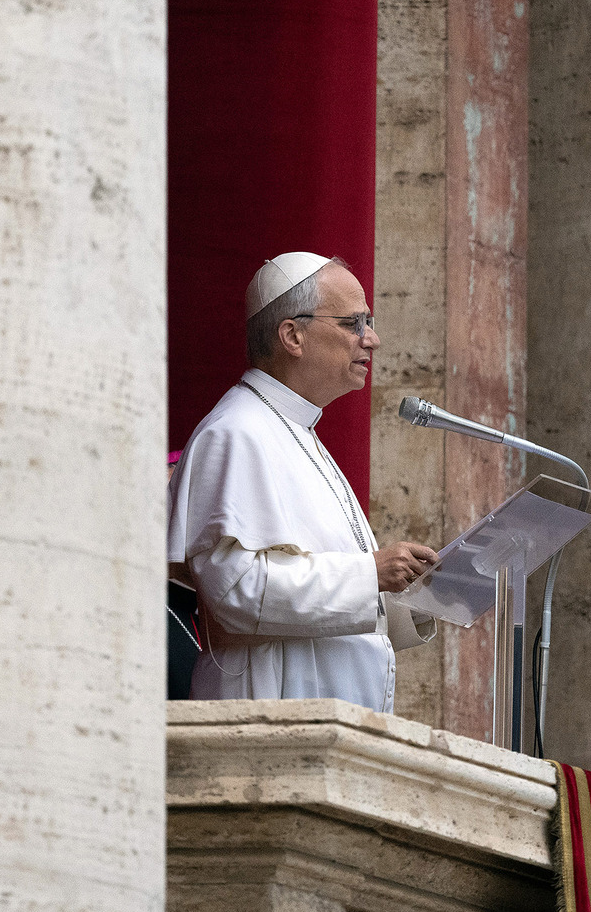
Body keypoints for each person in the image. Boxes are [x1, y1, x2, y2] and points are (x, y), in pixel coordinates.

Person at [167, 252, 441, 709]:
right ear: (293, 335)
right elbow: (236, 590)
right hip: (272, 711)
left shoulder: (298, 432)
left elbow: (328, 596)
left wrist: (416, 595)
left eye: (368, 322)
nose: (372, 339)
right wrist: (372, 573)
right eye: (353, 323)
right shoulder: (236, 432)